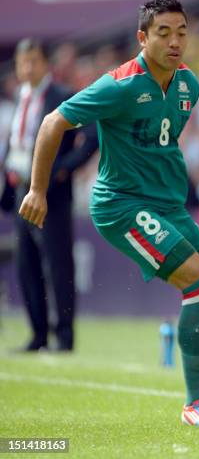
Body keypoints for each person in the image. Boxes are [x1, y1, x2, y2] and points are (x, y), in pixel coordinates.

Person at [18, 0, 199, 427]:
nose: (175, 42)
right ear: (142, 37)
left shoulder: (188, 85)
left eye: (181, 32)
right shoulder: (119, 84)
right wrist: (38, 190)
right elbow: (51, 123)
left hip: (167, 205)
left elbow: (159, 143)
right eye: (163, 33)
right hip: (121, 205)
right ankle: (196, 402)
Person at [6, 38, 98, 352]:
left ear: (46, 64)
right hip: (22, 189)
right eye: (22, 62)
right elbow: (18, 144)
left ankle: (64, 336)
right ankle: (38, 334)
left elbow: (91, 136)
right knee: (26, 264)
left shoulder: (62, 96)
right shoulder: (21, 96)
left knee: (57, 265)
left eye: (33, 60)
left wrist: (62, 170)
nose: (27, 68)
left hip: (52, 193)